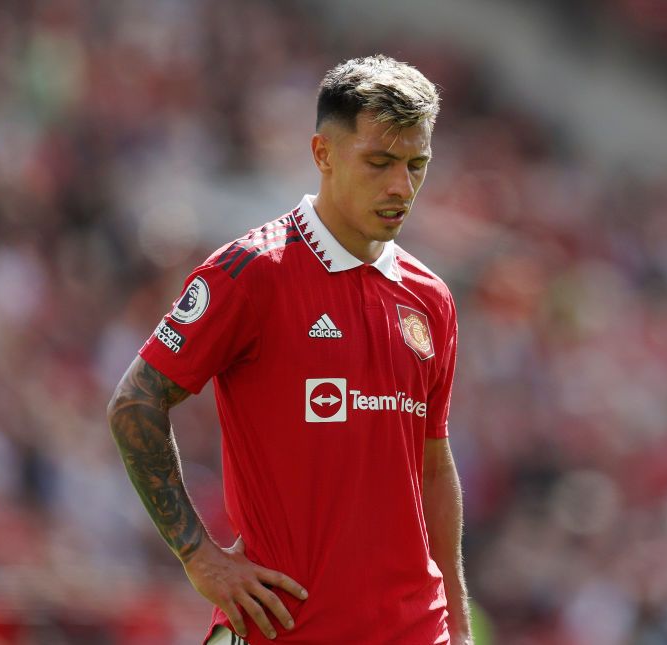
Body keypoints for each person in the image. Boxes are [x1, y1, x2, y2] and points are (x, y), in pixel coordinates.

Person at [107, 54, 471, 645]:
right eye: (379, 162)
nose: (401, 186)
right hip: (288, 630)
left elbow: (432, 465)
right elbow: (134, 403)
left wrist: (456, 625)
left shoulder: (431, 298)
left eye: (416, 165)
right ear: (324, 154)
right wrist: (200, 557)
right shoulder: (252, 272)